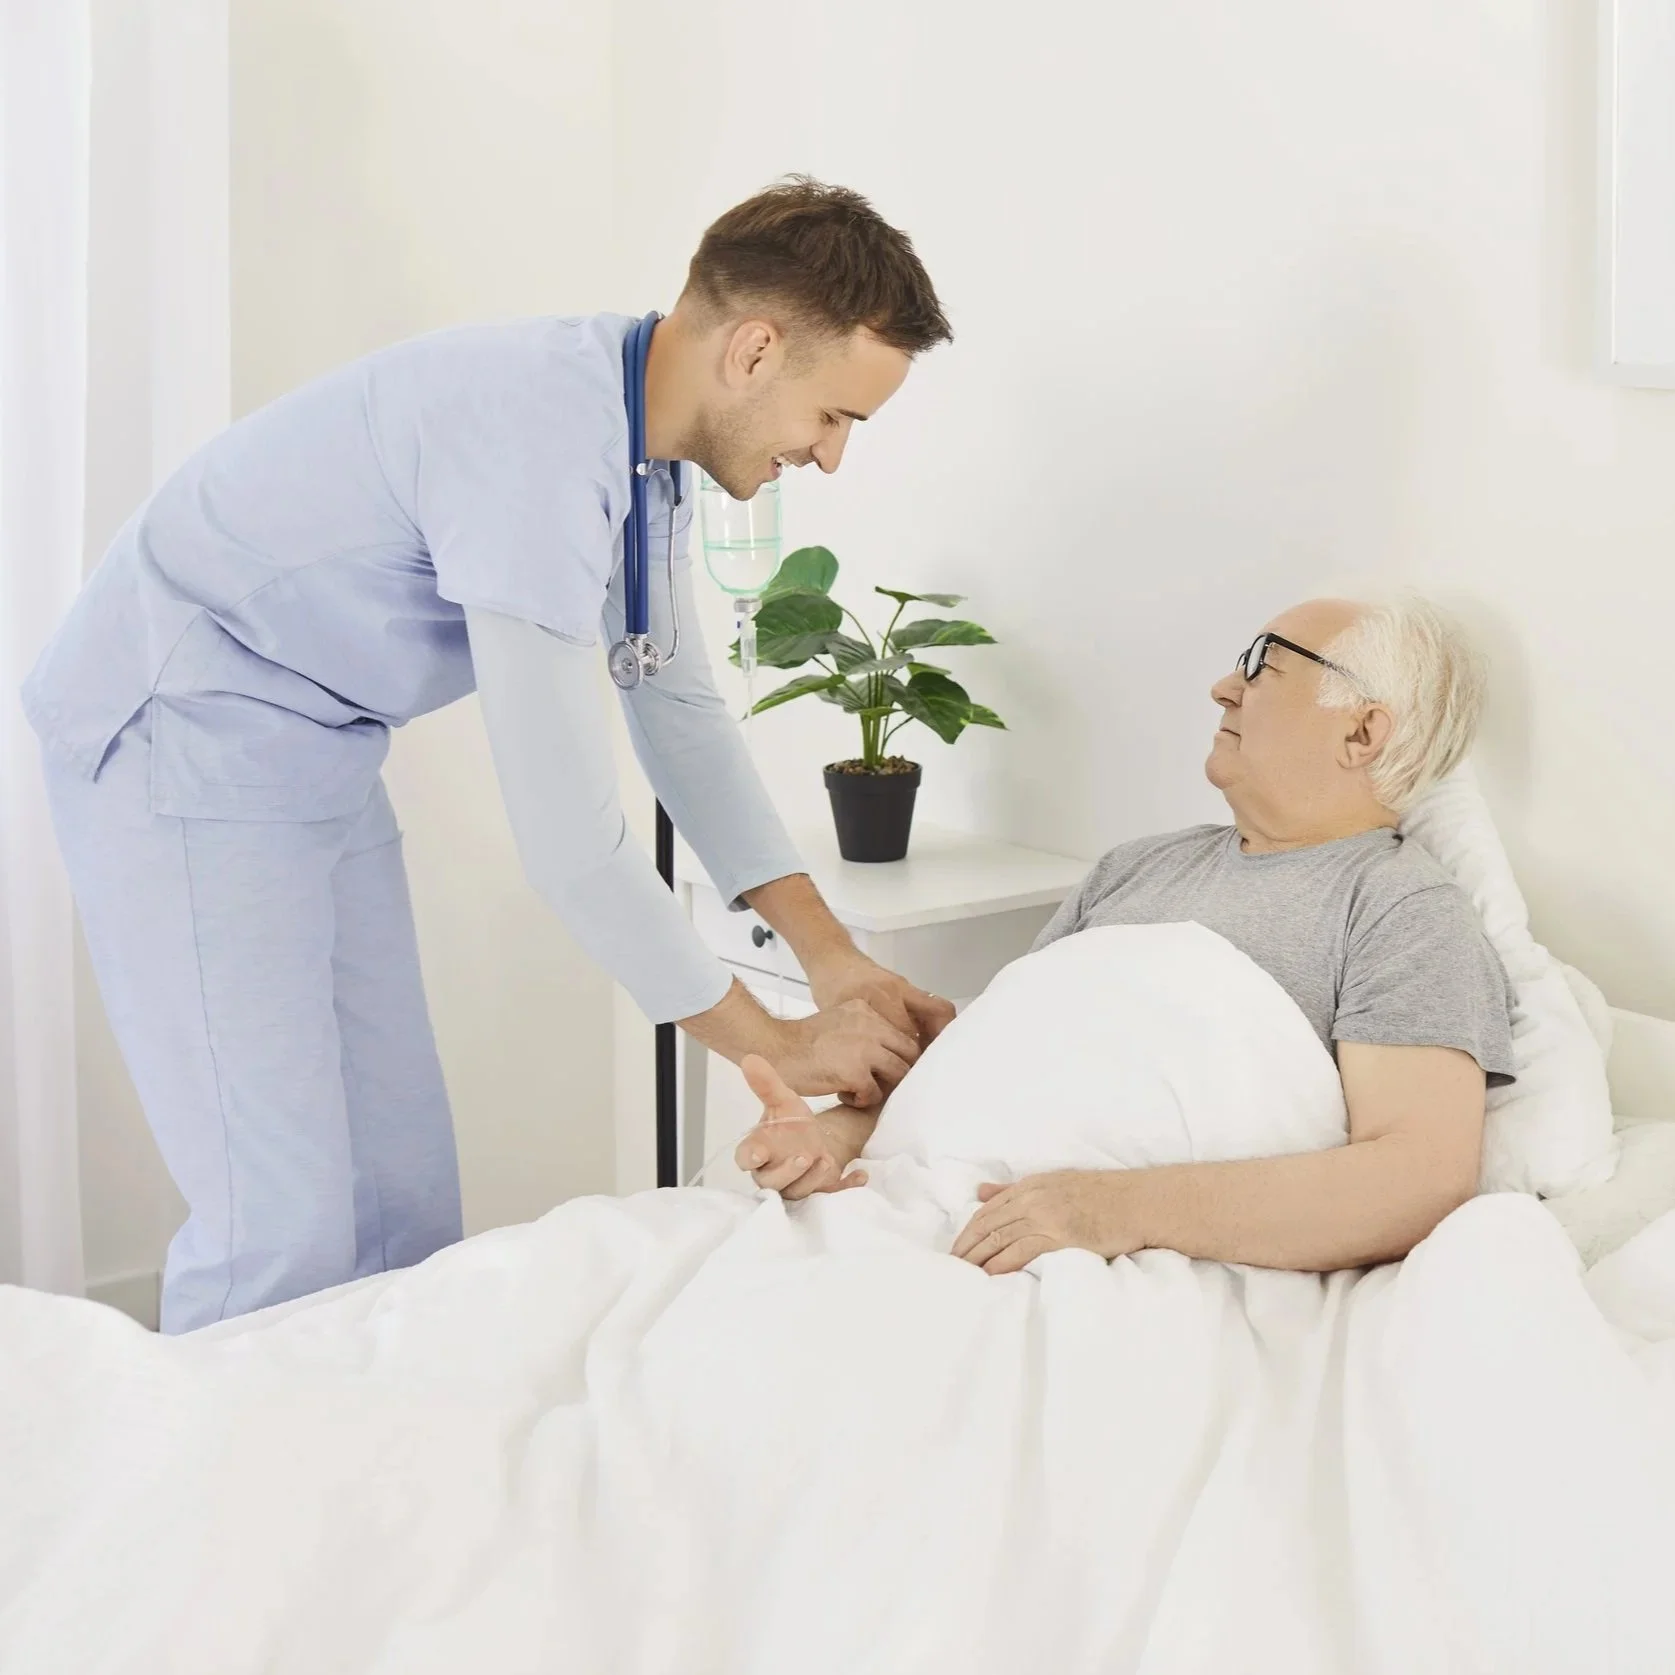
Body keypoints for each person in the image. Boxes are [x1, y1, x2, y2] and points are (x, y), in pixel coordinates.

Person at [23, 177, 957, 1332]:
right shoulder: (537, 437)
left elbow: (678, 708)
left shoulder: (643, 450)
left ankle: (386, 1434)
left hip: (318, 740)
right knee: (280, 1219)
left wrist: (831, 961)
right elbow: (571, 843)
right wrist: (768, 1039)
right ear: (755, 351)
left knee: (403, 1190)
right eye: (835, 416)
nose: (830, 457)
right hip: (179, 729)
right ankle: (217, 1444)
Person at [733, 594, 1517, 1275]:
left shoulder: (1399, 908)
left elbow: (1416, 1178)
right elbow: (994, 1065)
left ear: (1362, 731)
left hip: (1067, 1254)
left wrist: (1112, 1209)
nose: (1223, 687)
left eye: (1262, 666)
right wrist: (833, 1138)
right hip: (914, 1204)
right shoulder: (1136, 866)